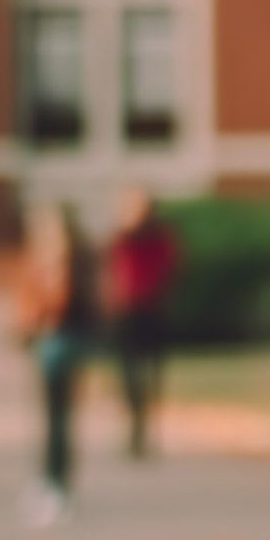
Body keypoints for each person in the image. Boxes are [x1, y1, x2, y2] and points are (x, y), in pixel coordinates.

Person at [14, 200, 97, 527]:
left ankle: (58, 487)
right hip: (45, 343)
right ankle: (47, 480)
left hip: (63, 343)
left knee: (60, 422)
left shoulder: (70, 263)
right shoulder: (41, 260)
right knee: (50, 421)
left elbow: (65, 303)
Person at [102, 187, 178, 459]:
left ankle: (148, 428)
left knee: (151, 374)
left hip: (151, 311)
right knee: (127, 376)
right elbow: (111, 269)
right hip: (126, 313)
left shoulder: (160, 237)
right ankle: (134, 426)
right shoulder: (120, 237)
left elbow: (170, 267)